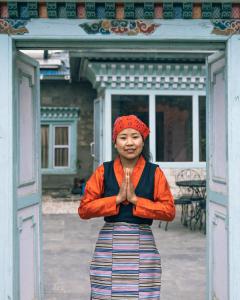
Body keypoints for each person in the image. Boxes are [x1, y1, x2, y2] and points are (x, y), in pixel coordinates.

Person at [78, 115, 175, 300]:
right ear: (115, 143)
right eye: (123, 137)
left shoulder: (154, 172)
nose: (129, 143)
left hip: (142, 245)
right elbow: (84, 209)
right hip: (109, 246)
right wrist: (117, 199)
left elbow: (169, 211)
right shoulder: (103, 171)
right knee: (106, 294)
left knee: (143, 294)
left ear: (143, 141)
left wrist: (135, 200)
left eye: (135, 137)